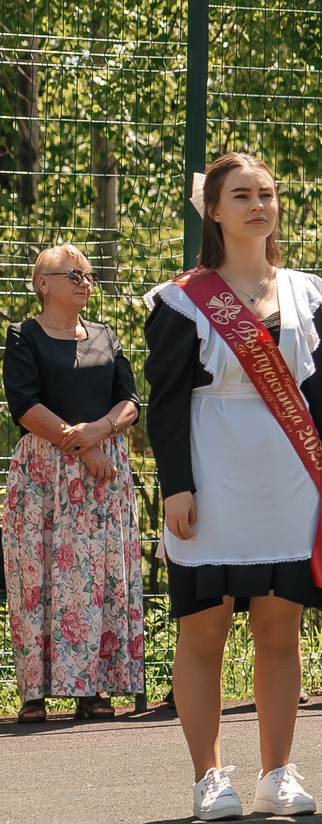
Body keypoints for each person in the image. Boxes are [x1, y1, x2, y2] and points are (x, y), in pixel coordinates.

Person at [145, 152, 322, 819]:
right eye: (240, 194)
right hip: (213, 478)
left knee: (280, 628)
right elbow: (164, 404)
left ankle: (278, 770)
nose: (257, 205)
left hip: (286, 481)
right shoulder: (180, 299)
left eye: (266, 194)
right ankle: (208, 776)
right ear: (213, 209)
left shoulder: (304, 292)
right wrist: (176, 486)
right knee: (204, 630)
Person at [5, 244, 144, 724]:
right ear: (43, 284)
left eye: (88, 274)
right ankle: (35, 694)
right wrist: (79, 442)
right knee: (38, 576)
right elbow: (23, 404)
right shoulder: (23, 336)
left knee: (101, 577)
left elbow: (129, 401)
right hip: (46, 477)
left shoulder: (106, 336)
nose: (85, 281)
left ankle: (95, 689)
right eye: (73, 274)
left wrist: (98, 433)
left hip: (103, 480)